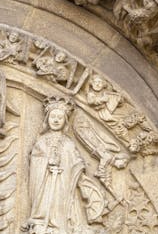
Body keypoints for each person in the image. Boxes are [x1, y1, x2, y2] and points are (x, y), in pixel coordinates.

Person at [26, 96, 106, 234]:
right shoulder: (41, 141)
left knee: (61, 206)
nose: (56, 120)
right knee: (46, 204)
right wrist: (46, 163)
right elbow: (34, 160)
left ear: (65, 121)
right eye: (53, 117)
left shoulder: (68, 143)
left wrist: (75, 167)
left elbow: (77, 163)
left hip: (64, 183)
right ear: (47, 119)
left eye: (60, 117)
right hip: (45, 184)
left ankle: (59, 226)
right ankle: (42, 223)